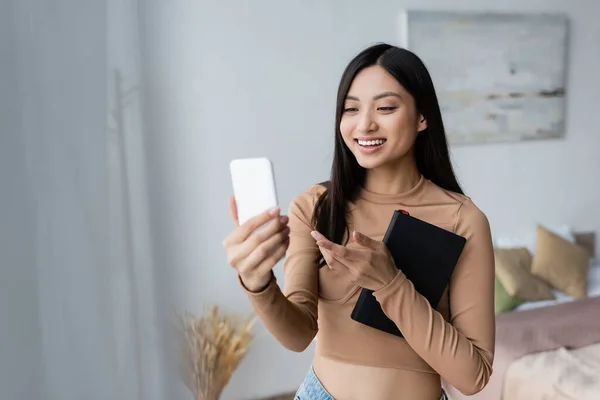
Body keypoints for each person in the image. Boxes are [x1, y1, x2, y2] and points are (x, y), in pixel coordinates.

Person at [222, 43, 495, 400]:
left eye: (385, 107)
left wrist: (391, 285)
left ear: (422, 117)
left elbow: (473, 377)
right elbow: (298, 335)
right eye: (351, 109)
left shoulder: (463, 219)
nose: (364, 124)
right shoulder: (316, 206)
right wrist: (258, 283)